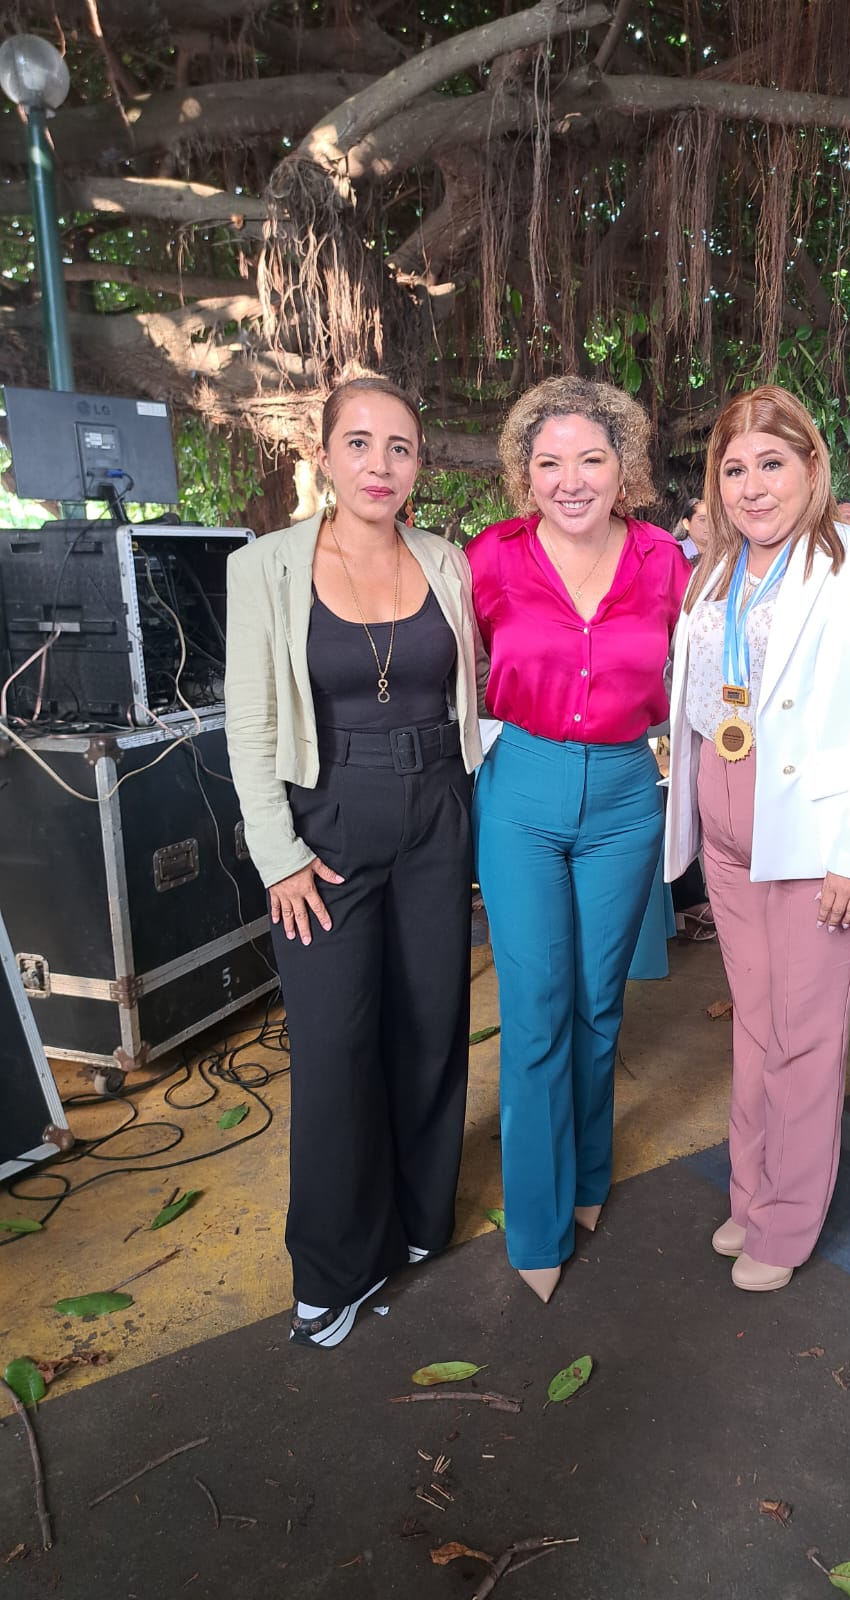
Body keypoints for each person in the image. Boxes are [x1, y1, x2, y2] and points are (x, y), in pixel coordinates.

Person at [225, 376, 486, 1348]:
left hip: (436, 809)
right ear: (325, 453)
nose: (381, 465)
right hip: (324, 821)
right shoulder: (265, 567)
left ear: (418, 463)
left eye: (400, 447)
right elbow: (250, 726)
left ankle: (419, 1218)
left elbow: (470, 692)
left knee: (429, 1023)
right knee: (336, 1045)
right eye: (361, 443)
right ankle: (335, 1269)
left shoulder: (446, 561)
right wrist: (278, 856)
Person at [664, 386, 850, 1292]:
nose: (752, 487)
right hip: (729, 821)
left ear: (813, 466)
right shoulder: (717, 569)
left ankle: (786, 1221)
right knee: (756, 1025)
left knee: (805, 1034)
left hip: (816, 831)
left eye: (771, 464)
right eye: (734, 469)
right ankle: (751, 1193)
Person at [467, 376, 690, 1303]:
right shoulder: (491, 558)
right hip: (522, 787)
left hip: (629, 795)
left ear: (622, 466)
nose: (571, 480)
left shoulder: (664, 560)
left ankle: (589, 1175)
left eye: (591, 459)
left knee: (600, 1004)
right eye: (550, 462)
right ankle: (537, 1222)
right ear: (525, 473)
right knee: (535, 1009)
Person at [672, 497, 711, 564]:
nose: (709, 525)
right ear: (687, 524)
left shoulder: (724, 554)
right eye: (702, 520)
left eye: (713, 520)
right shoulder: (676, 551)